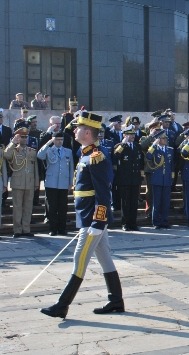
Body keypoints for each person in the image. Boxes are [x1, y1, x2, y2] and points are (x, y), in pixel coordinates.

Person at [40, 111, 124, 319]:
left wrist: (98, 220)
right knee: (104, 257)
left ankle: (62, 305)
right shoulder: (85, 153)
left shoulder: (96, 157)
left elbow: (104, 193)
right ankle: (116, 301)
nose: (74, 130)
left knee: (80, 259)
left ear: (87, 132)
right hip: (87, 215)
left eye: (78, 128)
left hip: (92, 219)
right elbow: (69, 131)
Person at [4, 124, 38, 238]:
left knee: (28, 207)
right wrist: (13, 142)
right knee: (17, 207)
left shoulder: (32, 151)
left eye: (25, 137)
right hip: (18, 183)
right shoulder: (13, 150)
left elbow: (35, 168)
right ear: (17, 138)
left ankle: (26, 229)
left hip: (29, 182)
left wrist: (36, 182)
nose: (24, 139)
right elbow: (6, 155)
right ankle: (17, 230)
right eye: (22, 137)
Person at [37, 131, 73, 236]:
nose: (59, 142)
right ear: (53, 140)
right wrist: (48, 143)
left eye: (61, 140)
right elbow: (40, 155)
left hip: (63, 182)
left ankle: (62, 228)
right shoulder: (49, 150)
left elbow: (71, 167)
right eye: (57, 140)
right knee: (52, 207)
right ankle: (52, 229)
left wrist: (70, 182)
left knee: (63, 207)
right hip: (51, 183)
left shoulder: (68, 151)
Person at [112, 125, 144, 231]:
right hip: (124, 179)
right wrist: (123, 143)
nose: (133, 136)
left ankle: (133, 223)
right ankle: (125, 223)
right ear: (124, 135)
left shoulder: (137, 146)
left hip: (135, 178)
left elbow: (141, 162)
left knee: (134, 202)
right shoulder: (120, 146)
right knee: (125, 203)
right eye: (130, 134)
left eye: (133, 134)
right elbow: (116, 155)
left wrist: (141, 176)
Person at [146, 130, 175, 229]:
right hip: (157, 178)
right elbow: (148, 156)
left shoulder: (170, 150)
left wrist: (172, 178)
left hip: (166, 179)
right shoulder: (154, 150)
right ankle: (156, 222)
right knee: (157, 202)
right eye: (163, 138)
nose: (165, 140)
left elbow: (172, 166)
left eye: (165, 138)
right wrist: (154, 145)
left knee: (166, 202)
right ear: (158, 140)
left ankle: (164, 220)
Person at [140, 123, 160, 218]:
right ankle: (149, 211)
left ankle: (157, 211)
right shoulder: (144, 138)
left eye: (157, 129)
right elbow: (142, 146)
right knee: (150, 191)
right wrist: (151, 136)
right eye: (154, 129)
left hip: (160, 169)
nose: (156, 131)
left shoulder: (161, 139)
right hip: (150, 168)